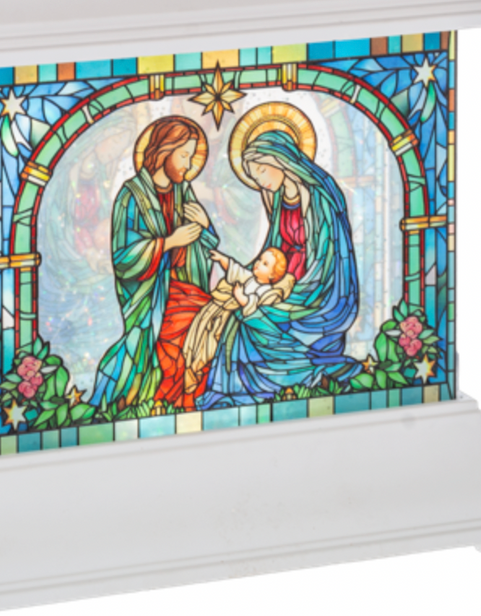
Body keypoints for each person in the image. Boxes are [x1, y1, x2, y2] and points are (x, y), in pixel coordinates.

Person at [201, 126, 360, 405]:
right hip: (284, 281)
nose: (260, 181)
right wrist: (245, 274)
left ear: (279, 160)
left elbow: (329, 257)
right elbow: (275, 250)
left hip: (319, 290)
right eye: (254, 176)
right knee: (232, 308)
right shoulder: (278, 198)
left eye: (262, 171)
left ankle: (288, 380)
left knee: (252, 315)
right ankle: (234, 392)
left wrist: (291, 288)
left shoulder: (319, 197)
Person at [90, 117, 218, 411]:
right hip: (152, 298)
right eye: (184, 155)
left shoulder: (182, 190)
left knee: (214, 326)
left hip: (187, 289)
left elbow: (206, 246)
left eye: (191, 157)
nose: (188, 164)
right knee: (181, 340)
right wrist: (168, 242)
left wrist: (206, 226)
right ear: (164, 151)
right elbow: (123, 259)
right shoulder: (131, 196)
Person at [182, 247, 295, 397]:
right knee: (200, 328)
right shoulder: (250, 278)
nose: (258, 263)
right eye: (259, 259)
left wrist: (240, 297)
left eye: (265, 264)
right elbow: (236, 270)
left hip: (230, 323)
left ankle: (195, 369)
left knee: (211, 340)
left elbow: (251, 307)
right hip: (222, 311)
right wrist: (222, 258)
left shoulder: (267, 292)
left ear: (272, 275)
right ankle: (191, 363)